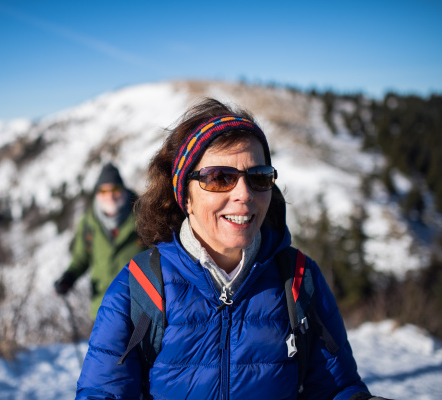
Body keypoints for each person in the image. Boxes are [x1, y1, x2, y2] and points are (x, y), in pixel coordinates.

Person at [76, 99, 385, 399]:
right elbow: (104, 391)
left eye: (259, 177)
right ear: (185, 196)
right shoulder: (139, 287)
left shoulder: (299, 279)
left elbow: (334, 387)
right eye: (220, 178)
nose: (244, 193)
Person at [54, 162, 146, 319]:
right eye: (103, 191)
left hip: (141, 306)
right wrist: (68, 277)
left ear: (123, 190)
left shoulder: (144, 216)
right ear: (97, 194)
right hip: (103, 307)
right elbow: (81, 259)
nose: (110, 196)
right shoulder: (88, 223)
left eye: (115, 189)